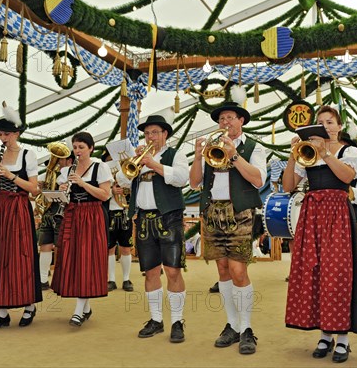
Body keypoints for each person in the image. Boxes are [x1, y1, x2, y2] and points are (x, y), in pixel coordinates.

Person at [282, 106, 357, 363]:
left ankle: (342, 338)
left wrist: (326, 153)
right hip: (312, 214)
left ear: (339, 126)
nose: (326, 126)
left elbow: (349, 177)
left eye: (330, 122)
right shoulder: (306, 153)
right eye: (320, 122)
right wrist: (292, 156)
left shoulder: (348, 151)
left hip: (337, 213)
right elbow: (288, 186)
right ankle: (325, 334)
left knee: (337, 273)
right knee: (315, 271)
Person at [189, 98, 266, 355]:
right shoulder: (212, 146)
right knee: (222, 269)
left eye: (230, 118)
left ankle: (246, 328)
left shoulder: (254, 147)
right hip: (213, 212)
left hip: (240, 212)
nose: (225, 122)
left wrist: (233, 154)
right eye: (222, 119)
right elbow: (194, 183)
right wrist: (199, 157)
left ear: (241, 120)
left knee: (238, 270)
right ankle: (232, 325)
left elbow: (257, 180)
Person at [122, 114, 189, 343]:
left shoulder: (175, 154)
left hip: (169, 217)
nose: (150, 136)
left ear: (165, 134)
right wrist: (133, 162)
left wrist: (154, 164)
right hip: (143, 219)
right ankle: (156, 320)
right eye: (147, 132)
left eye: (154, 132)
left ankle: (177, 321)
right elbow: (122, 182)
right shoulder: (138, 157)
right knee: (150, 271)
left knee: (172, 270)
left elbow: (182, 178)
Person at [0, 104, 42, 331]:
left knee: (20, 257)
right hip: (0, 209)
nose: (1, 137)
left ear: (16, 134)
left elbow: (34, 189)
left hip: (18, 209)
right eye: (0, 134)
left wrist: (11, 175)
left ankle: (29, 305)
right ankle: (2, 313)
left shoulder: (28, 154)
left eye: (5, 134)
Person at [50, 132, 111, 327]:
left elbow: (105, 195)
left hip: (92, 215)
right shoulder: (67, 171)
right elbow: (63, 197)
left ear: (91, 148)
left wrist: (82, 183)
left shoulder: (100, 167)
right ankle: (85, 308)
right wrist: (61, 192)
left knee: (87, 259)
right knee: (74, 259)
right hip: (73, 214)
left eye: (81, 147)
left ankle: (78, 310)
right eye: (75, 147)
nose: (77, 151)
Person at [37, 149, 74, 290]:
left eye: (60, 159)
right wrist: (42, 188)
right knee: (45, 244)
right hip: (49, 212)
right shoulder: (50, 174)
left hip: (64, 213)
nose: (57, 162)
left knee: (63, 247)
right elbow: (38, 193)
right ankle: (42, 280)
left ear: (69, 160)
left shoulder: (73, 174)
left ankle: (64, 279)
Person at [102, 151, 134, 292]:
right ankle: (111, 279)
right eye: (109, 159)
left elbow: (135, 189)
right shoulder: (103, 173)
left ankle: (126, 279)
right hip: (109, 214)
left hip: (125, 213)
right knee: (110, 249)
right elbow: (100, 193)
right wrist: (111, 191)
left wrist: (126, 189)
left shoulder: (129, 170)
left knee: (126, 248)